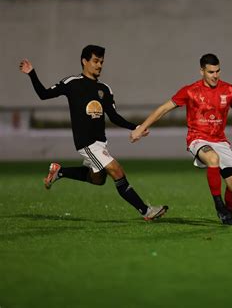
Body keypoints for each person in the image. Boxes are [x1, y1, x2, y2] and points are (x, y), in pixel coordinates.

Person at [19, 45, 168, 220]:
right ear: (85, 61)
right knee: (117, 171)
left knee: (97, 179)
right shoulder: (71, 83)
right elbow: (43, 94)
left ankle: (60, 171)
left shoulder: (105, 89)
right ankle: (146, 211)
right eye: (96, 61)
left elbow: (113, 117)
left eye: (102, 62)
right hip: (85, 142)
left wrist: (136, 127)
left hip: (100, 142)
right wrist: (32, 73)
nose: (99, 65)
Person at [130, 53, 232, 225]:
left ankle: (228, 216)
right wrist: (142, 128)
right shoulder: (190, 91)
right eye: (211, 72)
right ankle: (219, 206)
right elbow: (163, 109)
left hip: (220, 140)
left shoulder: (230, 90)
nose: (215, 76)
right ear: (201, 71)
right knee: (213, 159)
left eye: (218, 71)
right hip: (198, 139)